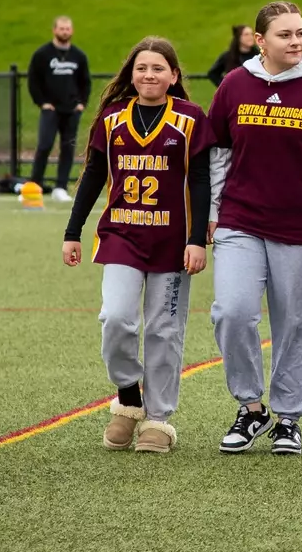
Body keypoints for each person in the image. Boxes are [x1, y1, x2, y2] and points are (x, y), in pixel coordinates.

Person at [206, 1, 302, 456]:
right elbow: (218, 155)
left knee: (297, 322)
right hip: (240, 221)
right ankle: (251, 408)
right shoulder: (234, 84)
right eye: (285, 34)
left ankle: (289, 417)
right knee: (232, 312)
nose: (296, 41)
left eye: (300, 32)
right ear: (260, 39)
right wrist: (212, 210)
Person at [62, 37, 211, 454]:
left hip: (172, 240)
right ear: (131, 74)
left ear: (174, 76)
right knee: (116, 319)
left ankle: (159, 419)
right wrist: (72, 232)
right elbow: (92, 177)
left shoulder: (190, 119)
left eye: (159, 68)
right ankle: (128, 397)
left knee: (164, 330)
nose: (149, 75)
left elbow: (200, 181)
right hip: (122, 236)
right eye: (142, 67)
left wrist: (197, 239)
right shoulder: (111, 119)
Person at [27, 15, 92, 201]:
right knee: (45, 145)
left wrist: (81, 104)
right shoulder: (42, 55)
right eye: (61, 28)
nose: (65, 32)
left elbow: (85, 82)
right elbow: (34, 81)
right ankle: (35, 185)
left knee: (68, 147)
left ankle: (60, 187)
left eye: (68, 28)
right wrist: (42, 103)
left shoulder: (79, 56)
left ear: (72, 31)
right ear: (54, 30)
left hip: (71, 110)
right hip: (51, 109)